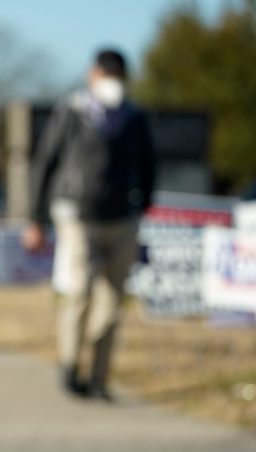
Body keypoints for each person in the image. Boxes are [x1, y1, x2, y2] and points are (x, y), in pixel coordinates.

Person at [22, 48, 155, 400]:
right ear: (92, 74)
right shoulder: (72, 112)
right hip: (77, 214)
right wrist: (35, 219)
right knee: (79, 289)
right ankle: (69, 364)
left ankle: (99, 377)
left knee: (112, 302)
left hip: (122, 219)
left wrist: (141, 205)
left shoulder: (133, 117)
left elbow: (148, 165)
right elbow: (44, 163)